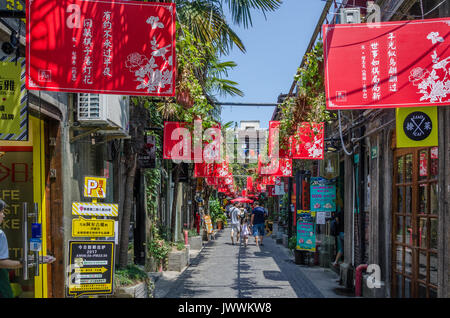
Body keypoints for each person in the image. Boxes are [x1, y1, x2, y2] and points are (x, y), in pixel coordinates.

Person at [0, 200, 23, 298]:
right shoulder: (0, 234)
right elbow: (1, 263)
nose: (3, 215)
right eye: (1, 212)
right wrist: (24, 263)